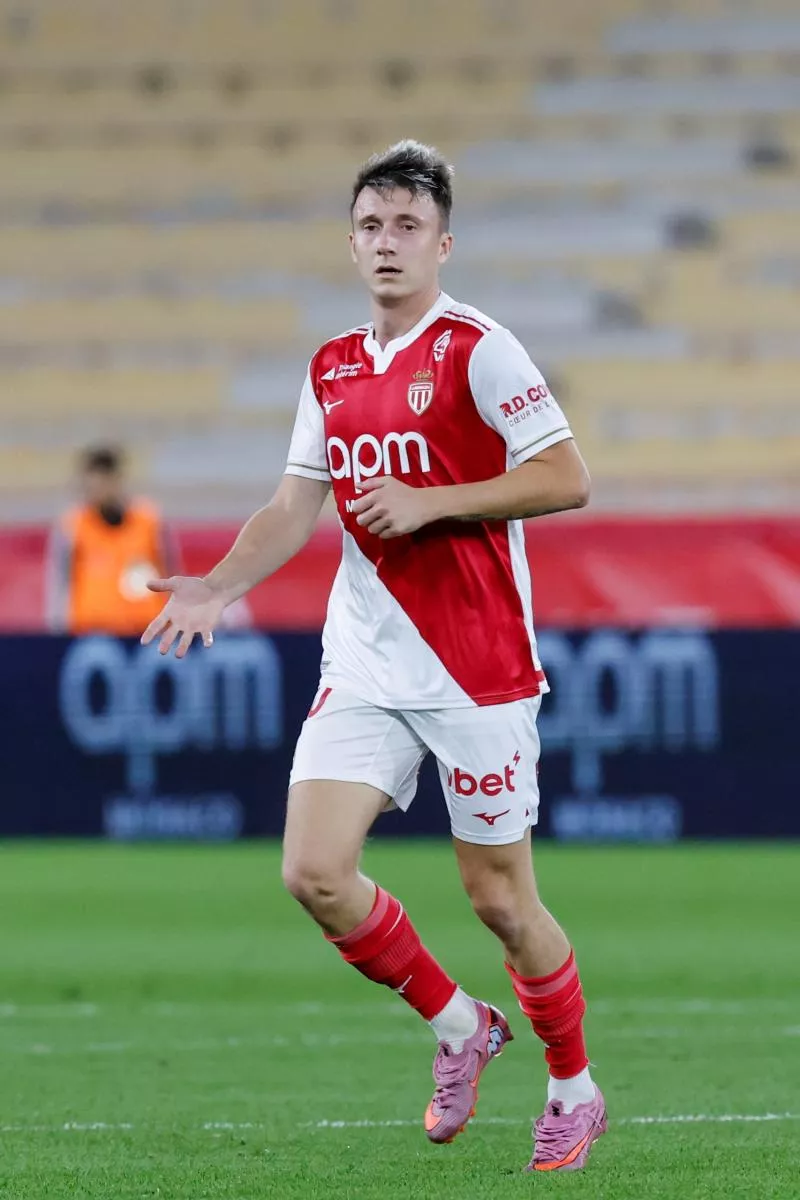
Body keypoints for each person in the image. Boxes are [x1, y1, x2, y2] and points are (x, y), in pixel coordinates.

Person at [141, 140, 605, 1173]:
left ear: (442, 243)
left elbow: (567, 475)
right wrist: (218, 584)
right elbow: (292, 503)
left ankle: (573, 1084)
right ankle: (457, 1027)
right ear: (349, 243)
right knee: (311, 871)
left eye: (405, 227)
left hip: (475, 665)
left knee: (498, 901)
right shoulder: (331, 366)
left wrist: (437, 499)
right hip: (363, 660)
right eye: (369, 226)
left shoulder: (479, 348)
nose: (386, 243)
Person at [46, 444, 177, 636]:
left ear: (116, 480)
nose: (94, 490)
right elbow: (60, 583)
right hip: (90, 634)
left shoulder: (148, 521)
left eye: (100, 483)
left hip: (145, 632)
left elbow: (170, 573)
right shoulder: (74, 525)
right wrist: (58, 632)